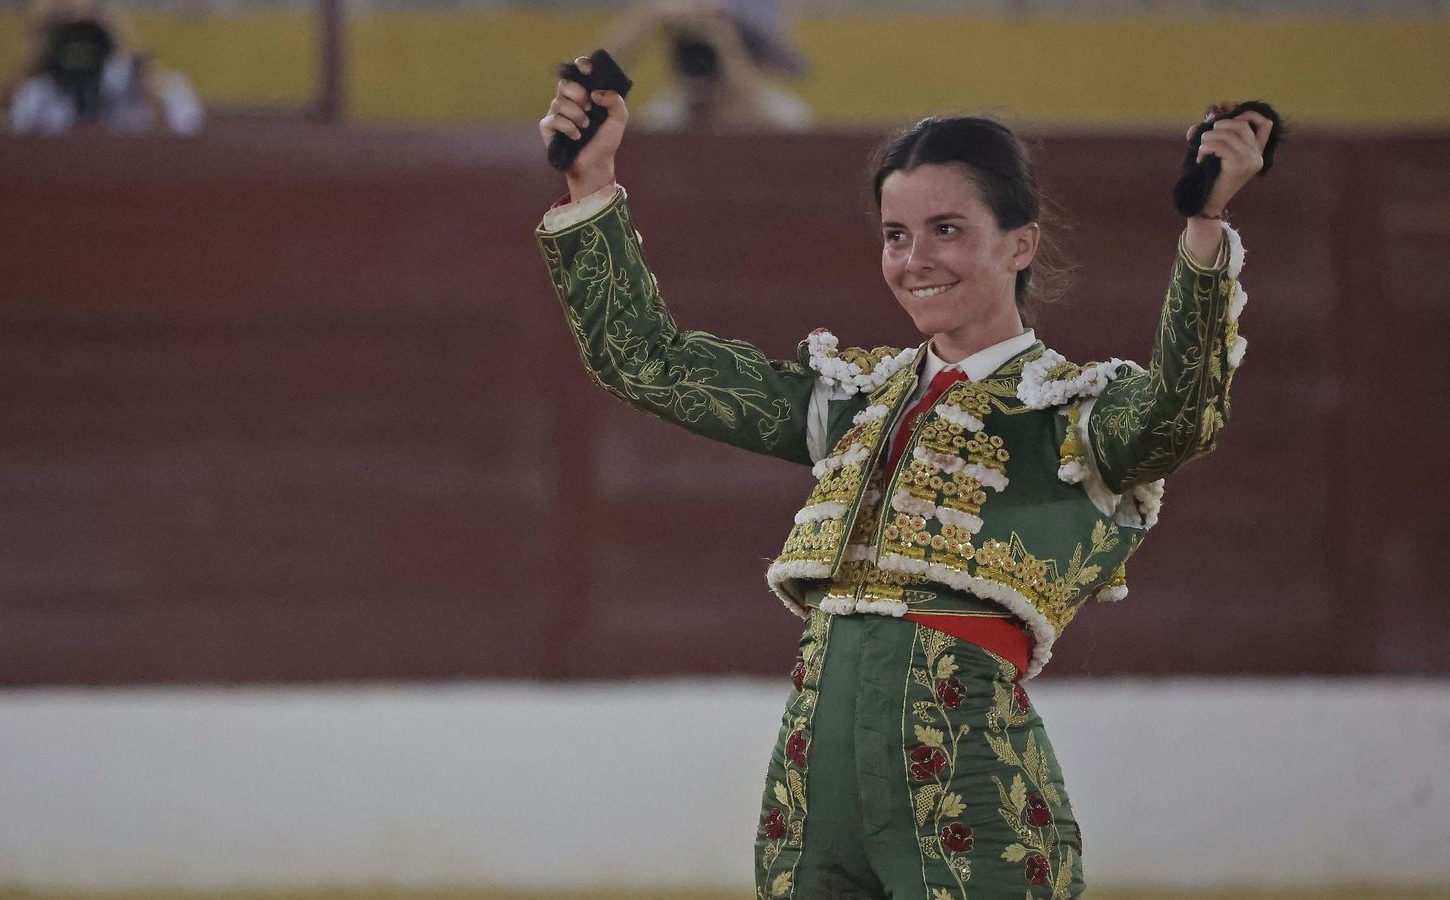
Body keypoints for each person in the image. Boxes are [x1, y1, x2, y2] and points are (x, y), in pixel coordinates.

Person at [536, 57, 1268, 899]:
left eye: (946, 229)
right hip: (811, 790)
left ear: (1021, 243)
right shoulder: (852, 401)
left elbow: (1183, 413)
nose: (915, 259)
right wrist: (591, 180)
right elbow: (649, 362)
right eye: (895, 234)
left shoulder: (1073, 414)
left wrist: (1206, 225)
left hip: (971, 788)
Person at [0, 0, 202, 135]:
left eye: (82, 32)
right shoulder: (35, 93)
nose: (76, 46)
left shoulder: (135, 83)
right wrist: (29, 68)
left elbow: (181, 138)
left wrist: (133, 56)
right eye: (60, 31)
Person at [599, 0, 811, 131]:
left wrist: (724, 41)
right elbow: (585, 103)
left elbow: (761, 127)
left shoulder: (786, 117)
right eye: (686, 42)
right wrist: (647, 18)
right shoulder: (666, 118)